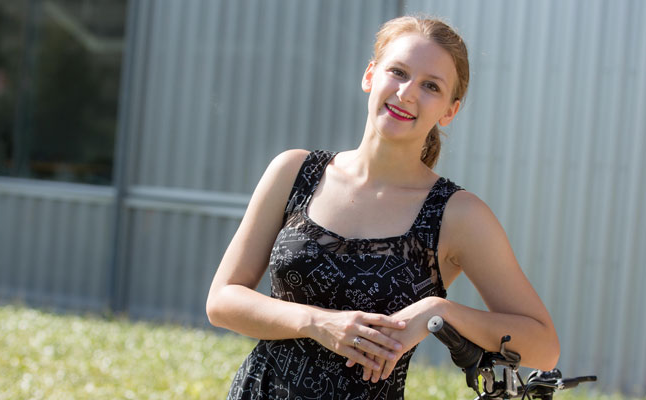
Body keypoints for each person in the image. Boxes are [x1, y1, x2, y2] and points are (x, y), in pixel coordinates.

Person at [206, 14, 560, 399]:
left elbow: (544, 346)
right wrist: (316, 322)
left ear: (449, 111)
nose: (406, 93)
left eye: (430, 86)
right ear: (370, 75)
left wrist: (438, 311)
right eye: (398, 72)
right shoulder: (294, 171)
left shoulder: (458, 215)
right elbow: (222, 300)